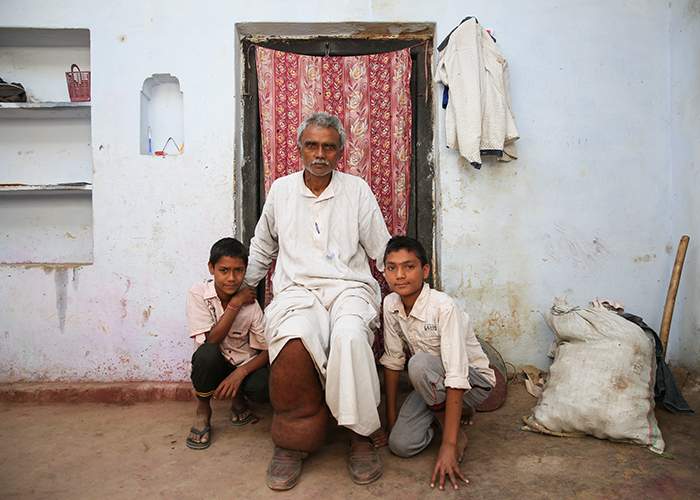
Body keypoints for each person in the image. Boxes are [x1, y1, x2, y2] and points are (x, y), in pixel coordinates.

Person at [244, 112, 391, 490]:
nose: (320, 153)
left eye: (329, 146)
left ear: (341, 152)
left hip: (349, 288)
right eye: (312, 145)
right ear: (299, 149)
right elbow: (263, 244)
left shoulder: (356, 190)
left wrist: (410, 286)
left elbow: (381, 248)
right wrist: (246, 286)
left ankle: (359, 437)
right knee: (293, 342)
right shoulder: (281, 190)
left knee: (350, 336)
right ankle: (292, 440)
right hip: (297, 291)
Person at [380, 236, 496, 490]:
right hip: (432, 383)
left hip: (472, 381)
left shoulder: (443, 307)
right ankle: (451, 413)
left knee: (419, 365)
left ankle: (453, 430)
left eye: (409, 267)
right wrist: (390, 422)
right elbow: (393, 361)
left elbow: (456, 374)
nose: (400, 275)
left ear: (425, 270)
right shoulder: (390, 304)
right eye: (392, 268)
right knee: (401, 445)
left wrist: (449, 445)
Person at [185, 237, 269, 450]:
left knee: (264, 385)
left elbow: (267, 351)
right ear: (211, 268)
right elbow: (211, 341)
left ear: (245, 269)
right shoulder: (199, 294)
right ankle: (203, 410)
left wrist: (240, 373)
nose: (232, 278)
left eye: (238, 271)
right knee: (205, 355)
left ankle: (239, 398)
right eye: (224, 270)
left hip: (242, 364)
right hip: (215, 362)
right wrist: (234, 304)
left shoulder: (251, 305)